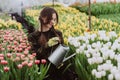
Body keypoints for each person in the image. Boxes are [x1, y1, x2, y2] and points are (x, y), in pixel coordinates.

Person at [28, 7, 77, 80]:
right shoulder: (33, 36)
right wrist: (46, 45)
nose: (53, 22)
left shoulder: (57, 33)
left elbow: (62, 52)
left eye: (54, 19)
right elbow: (35, 56)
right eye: (50, 19)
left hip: (58, 72)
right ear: (43, 18)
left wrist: (61, 59)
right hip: (43, 72)